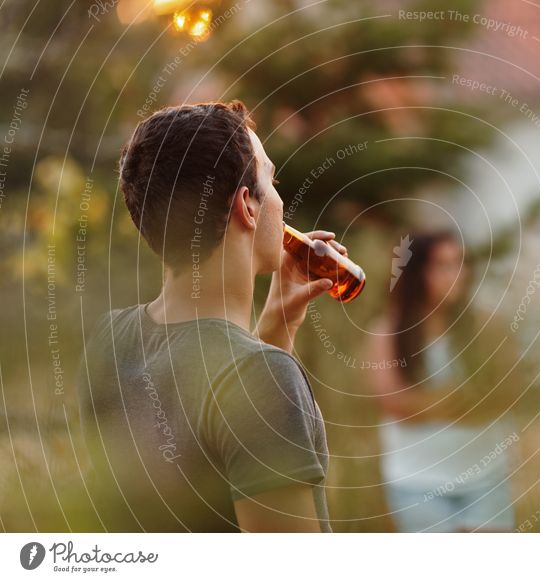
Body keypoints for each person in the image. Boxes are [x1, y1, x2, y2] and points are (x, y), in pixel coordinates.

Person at [76, 101, 347, 532]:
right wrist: (268, 363)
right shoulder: (260, 375)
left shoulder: (111, 338)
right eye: (270, 179)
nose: (278, 197)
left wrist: (276, 329)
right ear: (247, 206)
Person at [367, 231, 519, 532]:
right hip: (417, 484)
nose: (457, 274)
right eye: (443, 265)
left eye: (460, 264)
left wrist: (428, 404)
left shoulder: (489, 327)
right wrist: (464, 401)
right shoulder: (387, 334)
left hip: (487, 480)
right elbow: (396, 404)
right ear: (417, 273)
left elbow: (506, 393)